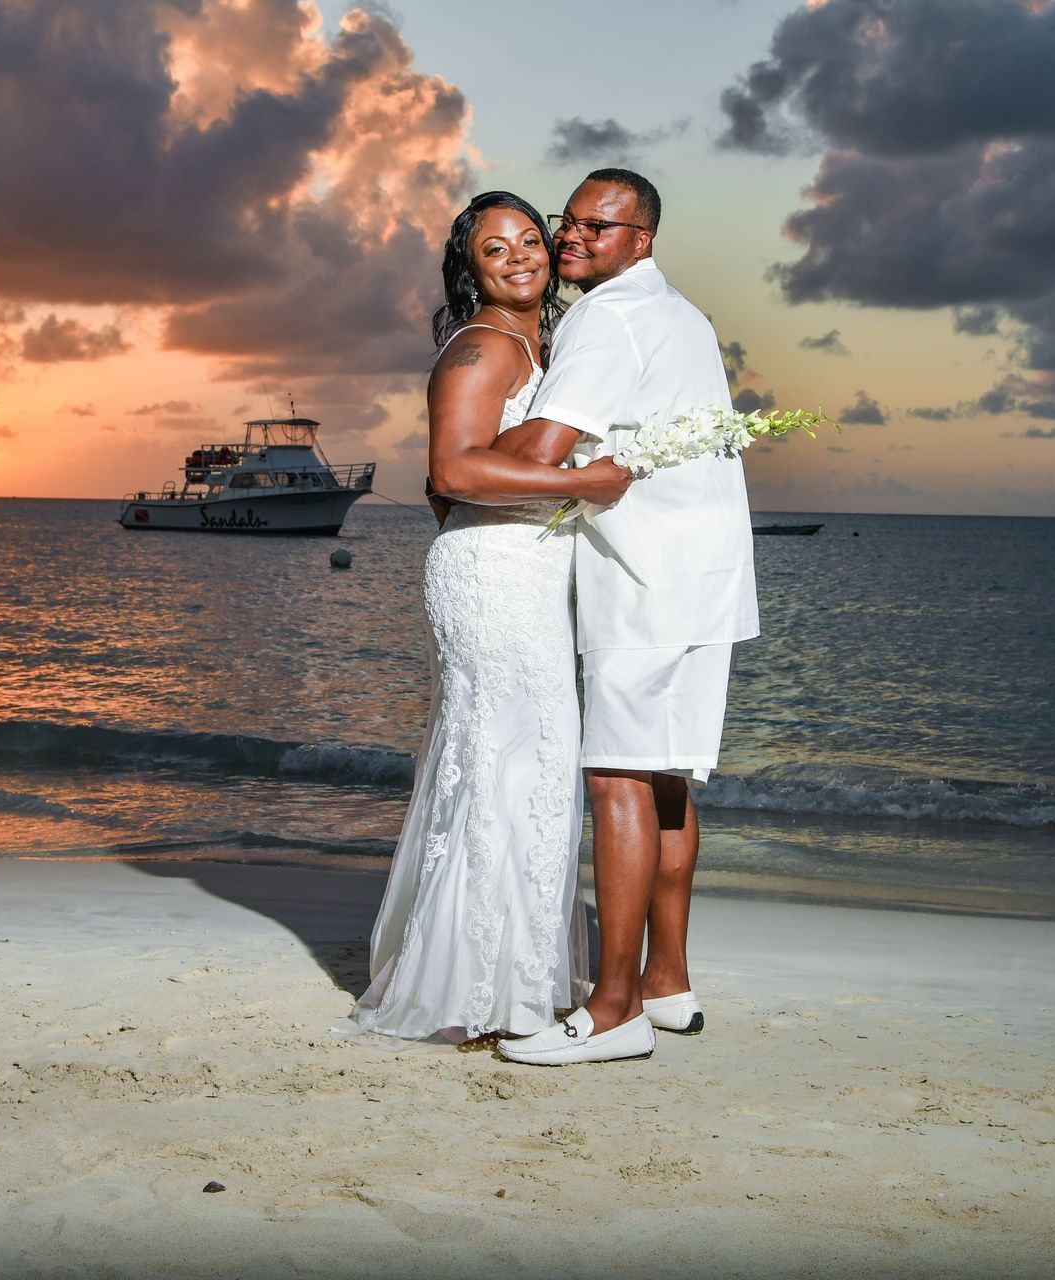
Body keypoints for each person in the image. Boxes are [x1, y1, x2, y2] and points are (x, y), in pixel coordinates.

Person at [340, 191, 633, 1043]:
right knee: (507, 770)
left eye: (530, 241)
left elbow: (459, 487)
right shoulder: (482, 346)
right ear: (471, 269)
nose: (519, 258)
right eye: (494, 249)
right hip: (496, 582)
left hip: (521, 573)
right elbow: (453, 471)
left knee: (526, 772)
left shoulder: (541, 340)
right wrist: (580, 484)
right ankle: (476, 991)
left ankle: (507, 982)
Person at [492, 169, 759, 1066]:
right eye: (568, 221)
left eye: (596, 227)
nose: (571, 239)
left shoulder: (608, 318)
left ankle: (611, 1011)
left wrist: (462, 451)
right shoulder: (683, 314)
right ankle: (667, 981)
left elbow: (542, 447)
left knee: (616, 779)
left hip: (643, 577)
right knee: (668, 776)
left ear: (641, 238)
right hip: (709, 578)